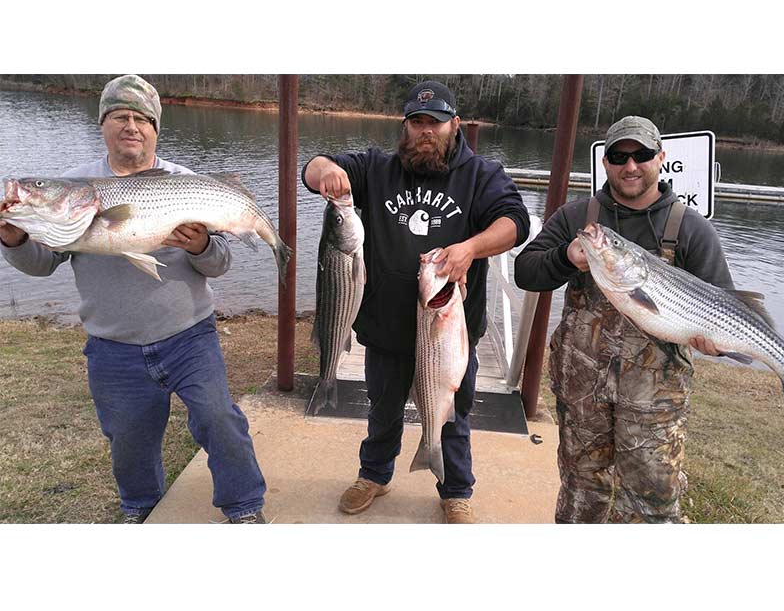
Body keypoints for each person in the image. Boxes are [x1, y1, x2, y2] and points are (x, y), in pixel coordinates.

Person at [0, 75, 267, 524]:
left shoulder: (187, 182)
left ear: (155, 129)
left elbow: (219, 263)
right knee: (129, 437)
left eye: (142, 119)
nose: (132, 126)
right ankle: (139, 510)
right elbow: (43, 263)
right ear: (103, 124)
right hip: (112, 345)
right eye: (120, 116)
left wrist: (200, 246)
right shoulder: (77, 188)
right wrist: (13, 240)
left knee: (220, 421)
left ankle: (244, 507)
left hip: (189, 336)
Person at [303, 80, 530, 523]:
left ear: (455, 125)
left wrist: (471, 248)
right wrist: (324, 171)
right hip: (385, 327)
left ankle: (455, 490)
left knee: (452, 414)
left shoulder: (482, 174)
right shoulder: (376, 166)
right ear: (405, 126)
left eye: (436, 123)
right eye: (417, 122)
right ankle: (374, 474)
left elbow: (515, 222)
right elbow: (314, 168)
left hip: (449, 330)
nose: (426, 131)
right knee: (382, 409)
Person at [514, 115, 734, 523]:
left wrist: (713, 341)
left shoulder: (691, 229)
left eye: (642, 155)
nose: (630, 166)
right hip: (582, 393)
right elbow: (525, 271)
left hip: (655, 404)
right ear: (605, 163)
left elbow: (723, 306)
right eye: (619, 156)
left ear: (660, 158)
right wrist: (566, 257)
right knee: (582, 491)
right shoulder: (577, 216)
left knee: (651, 502)